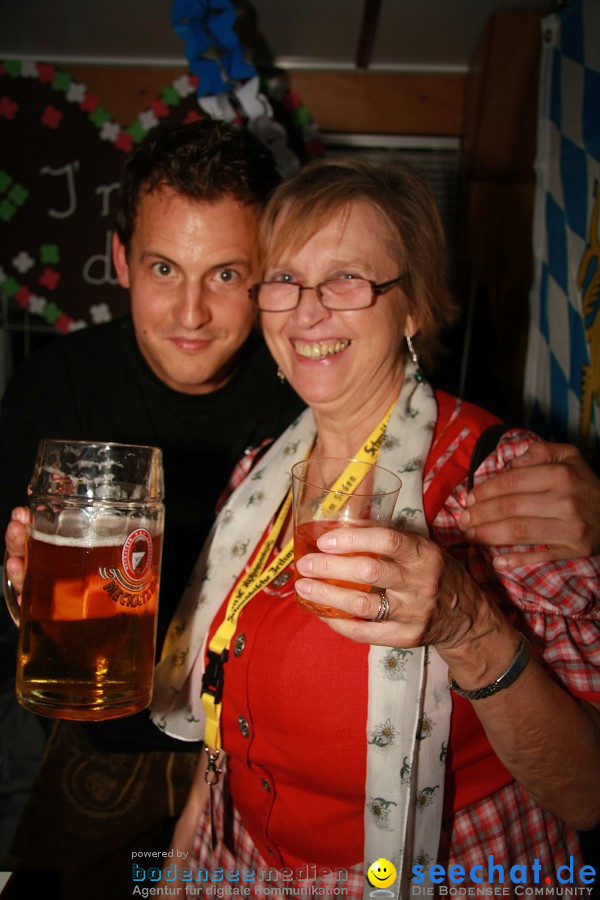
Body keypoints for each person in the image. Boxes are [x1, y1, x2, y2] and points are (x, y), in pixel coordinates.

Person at [148, 156, 600, 896]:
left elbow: (586, 793)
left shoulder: (507, 478)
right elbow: (224, 712)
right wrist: (175, 871)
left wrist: (467, 626)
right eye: (286, 279)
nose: (307, 312)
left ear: (414, 306)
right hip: (239, 863)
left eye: (348, 279)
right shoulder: (261, 471)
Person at [0, 119, 304, 900]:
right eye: (165, 267)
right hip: (94, 745)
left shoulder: (315, 391)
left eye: (228, 275)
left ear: (269, 273)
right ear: (120, 260)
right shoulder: (53, 389)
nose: (192, 312)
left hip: (259, 755)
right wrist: (16, 591)